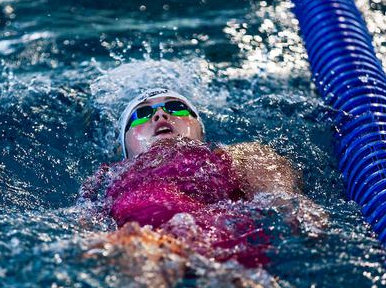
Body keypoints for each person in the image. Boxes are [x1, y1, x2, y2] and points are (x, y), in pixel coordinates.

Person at [80, 88, 327, 270]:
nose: (160, 116)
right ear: (125, 145)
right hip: (144, 244)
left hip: (221, 235)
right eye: (142, 114)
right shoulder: (106, 177)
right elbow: (87, 229)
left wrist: (303, 220)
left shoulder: (238, 154)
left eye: (175, 107)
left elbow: (285, 198)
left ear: (199, 128)